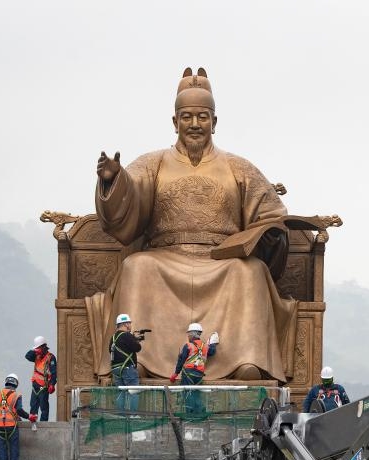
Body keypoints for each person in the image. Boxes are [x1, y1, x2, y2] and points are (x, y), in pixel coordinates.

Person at [87, 67, 298, 383]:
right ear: (175, 122)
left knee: (250, 271)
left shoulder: (239, 167)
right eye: (187, 117)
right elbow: (125, 208)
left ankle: (247, 360)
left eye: (203, 117)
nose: (195, 124)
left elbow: (270, 212)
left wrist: (270, 232)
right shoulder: (152, 163)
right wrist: (113, 181)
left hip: (222, 259)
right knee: (136, 266)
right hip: (165, 255)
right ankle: (139, 360)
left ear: (214, 121)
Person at [169, 322, 219, 415]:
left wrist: (175, 373)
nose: (188, 335)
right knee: (196, 393)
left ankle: (190, 415)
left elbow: (181, 360)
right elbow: (212, 351)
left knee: (187, 394)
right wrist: (212, 343)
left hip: (188, 374)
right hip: (199, 375)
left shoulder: (188, 346)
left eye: (189, 333)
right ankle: (199, 414)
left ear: (192, 334)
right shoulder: (205, 346)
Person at [0, 374, 35, 460]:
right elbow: (19, 409)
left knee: (1, 445)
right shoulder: (16, 395)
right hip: (11, 425)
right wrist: (29, 417)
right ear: (16, 384)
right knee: (13, 445)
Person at [110, 313, 142, 412]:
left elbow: (110, 351)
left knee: (121, 392)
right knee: (133, 391)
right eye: (129, 323)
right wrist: (136, 340)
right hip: (127, 368)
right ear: (126, 324)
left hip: (116, 369)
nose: (130, 325)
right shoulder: (127, 335)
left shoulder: (113, 337)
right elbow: (137, 348)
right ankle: (133, 415)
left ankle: (121, 416)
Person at [24, 336, 57, 425]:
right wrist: (34, 351)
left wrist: (52, 384)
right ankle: (33, 424)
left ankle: (43, 424)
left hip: (44, 386)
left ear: (43, 347)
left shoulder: (51, 357)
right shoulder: (36, 356)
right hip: (35, 385)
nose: (38, 350)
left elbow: (54, 372)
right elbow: (27, 356)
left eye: (38, 348)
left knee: (44, 406)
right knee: (33, 405)